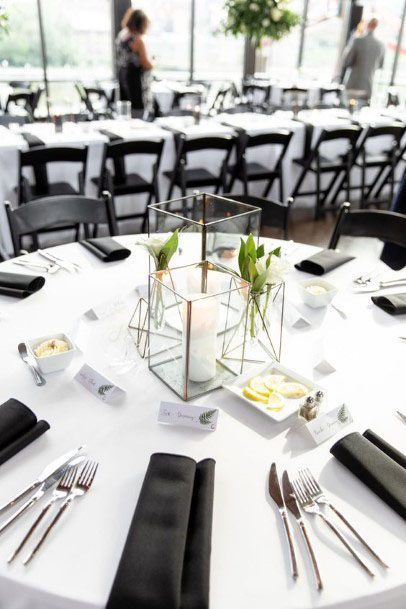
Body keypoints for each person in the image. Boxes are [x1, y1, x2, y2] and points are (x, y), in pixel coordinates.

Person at [116, 8, 154, 115]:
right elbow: (146, 64)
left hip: (123, 76)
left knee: (126, 110)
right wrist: (154, 62)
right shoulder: (137, 40)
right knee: (138, 111)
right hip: (135, 79)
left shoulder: (122, 35)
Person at [342, 17, 385, 102]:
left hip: (353, 86)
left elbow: (346, 62)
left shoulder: (358, 40)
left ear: (366, 25)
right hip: (368, 87)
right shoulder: (381, 45)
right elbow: (380, 65)